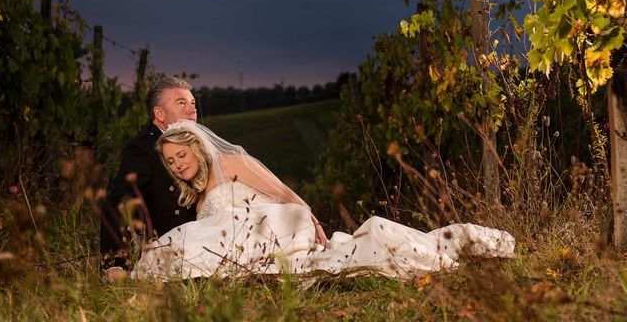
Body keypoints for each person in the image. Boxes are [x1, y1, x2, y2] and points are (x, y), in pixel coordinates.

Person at [133, 120, 515, 280]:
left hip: (280, 231)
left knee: (364, 243)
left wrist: (312, 220)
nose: (176, 164)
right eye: (169, 162)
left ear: (196, 149)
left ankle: (455, 245)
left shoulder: (232, 163)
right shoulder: (199, 203)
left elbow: (283, 193)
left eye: (180, 156)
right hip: (254, 252)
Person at [99, 77, 198, 279]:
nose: (192, 110)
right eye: (181, 103)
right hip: (176, 243)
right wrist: (114, 264)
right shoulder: (144, 148)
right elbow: (120, 200)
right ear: (159, 114)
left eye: (193, 103)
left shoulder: (197, 141)